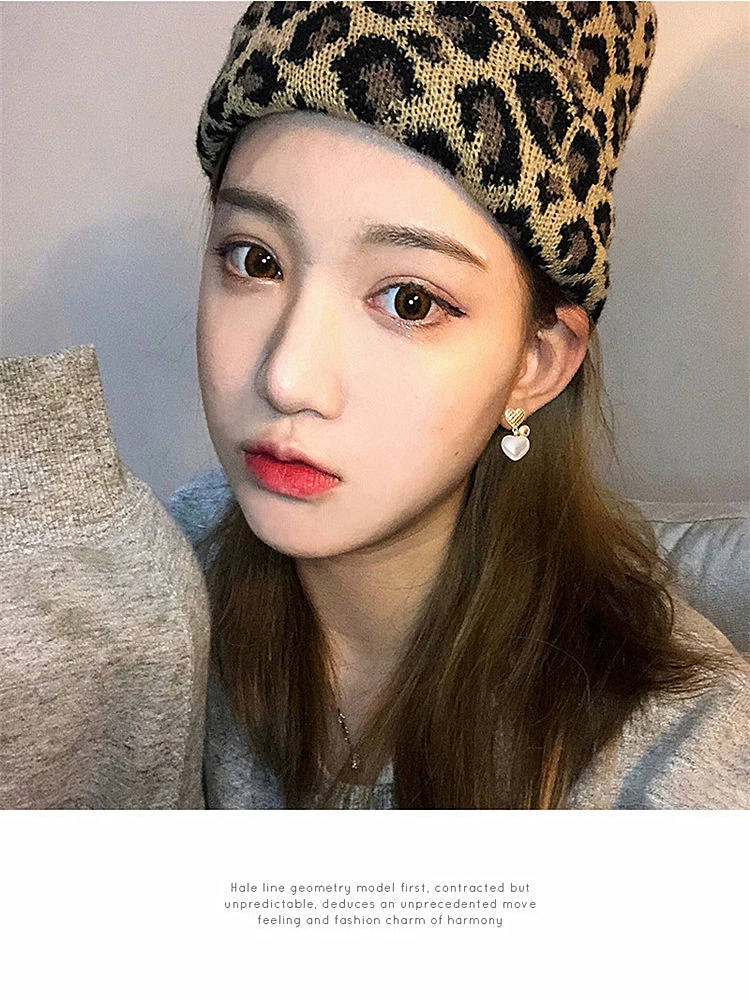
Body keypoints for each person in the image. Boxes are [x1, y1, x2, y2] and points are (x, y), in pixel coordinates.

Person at [168, 1, 749, 809]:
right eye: (256, 259)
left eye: (409, 301)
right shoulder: (156, 590)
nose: (288, 379)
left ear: (533, 366)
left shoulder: (680, 758)